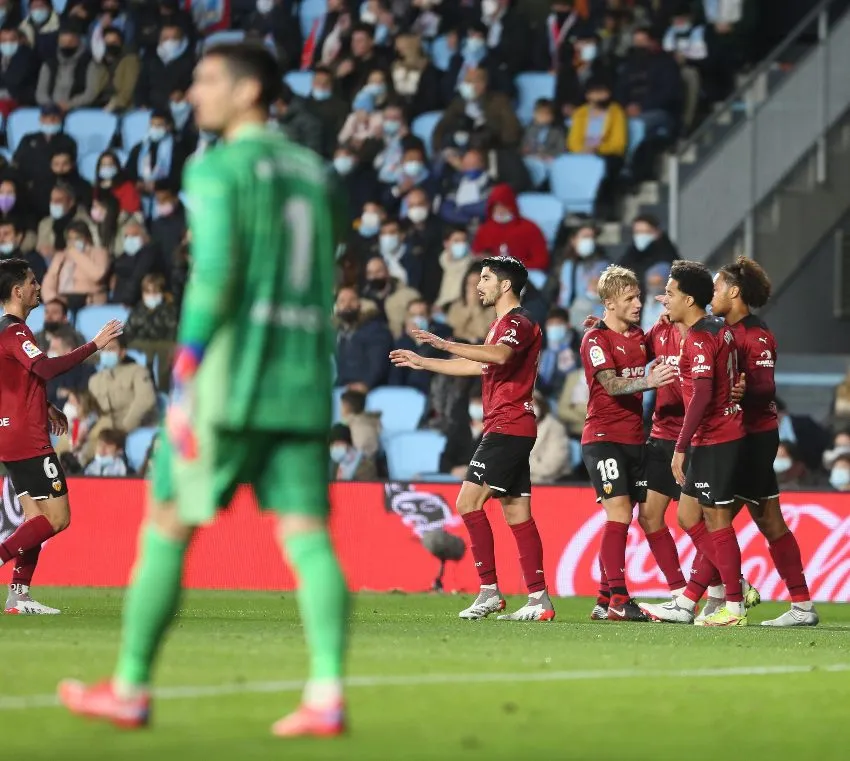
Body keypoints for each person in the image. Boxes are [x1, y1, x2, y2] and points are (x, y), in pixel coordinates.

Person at [59, 43, 350, 737]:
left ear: (250, 90)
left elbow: (215, 274)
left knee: (167, 522)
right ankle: (327, 692)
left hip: (231, 378)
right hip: (305, 375)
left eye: (208, 80)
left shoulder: (219, 167)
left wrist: (184, 370)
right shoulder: (316, 173)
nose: (193, 93)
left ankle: (129, 685)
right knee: (308, 535)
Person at [390, 255, 556, 622]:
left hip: (508, 425)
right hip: (508, 425)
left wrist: (445, 343)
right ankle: (538, 599)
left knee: (467, 503)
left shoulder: (519, 322)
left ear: (505, 285)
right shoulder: (499, 324)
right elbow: (480, 365)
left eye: (484, 278)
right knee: (516, 513)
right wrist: (424, 361)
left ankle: (489, 592)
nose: (478, 285)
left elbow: (498, 356)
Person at [0, 257, 121, 614]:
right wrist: (94, 345)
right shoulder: (16, 332)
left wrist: (46, 405)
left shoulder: (6, 331)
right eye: (33, 282)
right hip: (28, 439)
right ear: (18, 291)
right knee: (58, 518)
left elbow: (16, 382)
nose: (39, 287)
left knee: (35, 519)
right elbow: (46, 367)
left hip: (11, 434)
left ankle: (19, 595)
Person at [710, 257, 817, 627]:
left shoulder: (755, 335)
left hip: (753, 438)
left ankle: (705, 596)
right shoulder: (724, 329)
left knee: (712, 516)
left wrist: (744, 389)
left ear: (734, 292)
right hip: (744, 436)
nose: (712, 294)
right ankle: (802, 605)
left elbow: (767, 385)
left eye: (717, 287)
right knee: (770, 522)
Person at [644, 261, 749, 627]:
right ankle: (714, 593)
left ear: (689, 299)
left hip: (716, 438)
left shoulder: (701, 338)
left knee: (717, 520)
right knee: (688, 516)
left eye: (670, 294)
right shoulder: (719, 330)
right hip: (714, 436)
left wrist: (681, 446)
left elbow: (701, 396)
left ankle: (734, 605)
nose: (665, 299)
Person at [579, 265, 676, 622]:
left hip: (635, 439)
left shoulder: (637, 337)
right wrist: (650, 382)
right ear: (609, 302)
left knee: (627, 516)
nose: (638, 304)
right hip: (603, 439)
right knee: (618, 512)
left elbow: (654, 340)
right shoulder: (595, 340)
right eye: (629, 298)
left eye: (638, 297)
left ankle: (605, 600)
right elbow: (611, 385)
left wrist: (669, 317)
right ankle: (620, 598)